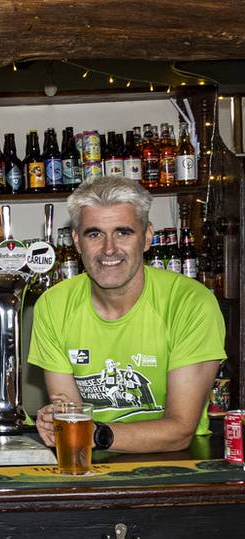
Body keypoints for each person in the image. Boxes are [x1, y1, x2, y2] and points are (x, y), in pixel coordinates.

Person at [32, 176, 225, 453]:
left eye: (123, 232)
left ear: (147, 237)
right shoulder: (53, 305)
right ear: (77, 240)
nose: (109, 249)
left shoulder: (191, 303)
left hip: (178, 465)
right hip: (89, 463)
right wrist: (54, 424)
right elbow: (69, 415)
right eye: (95, 234)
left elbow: (181, 429)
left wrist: (95, 434)